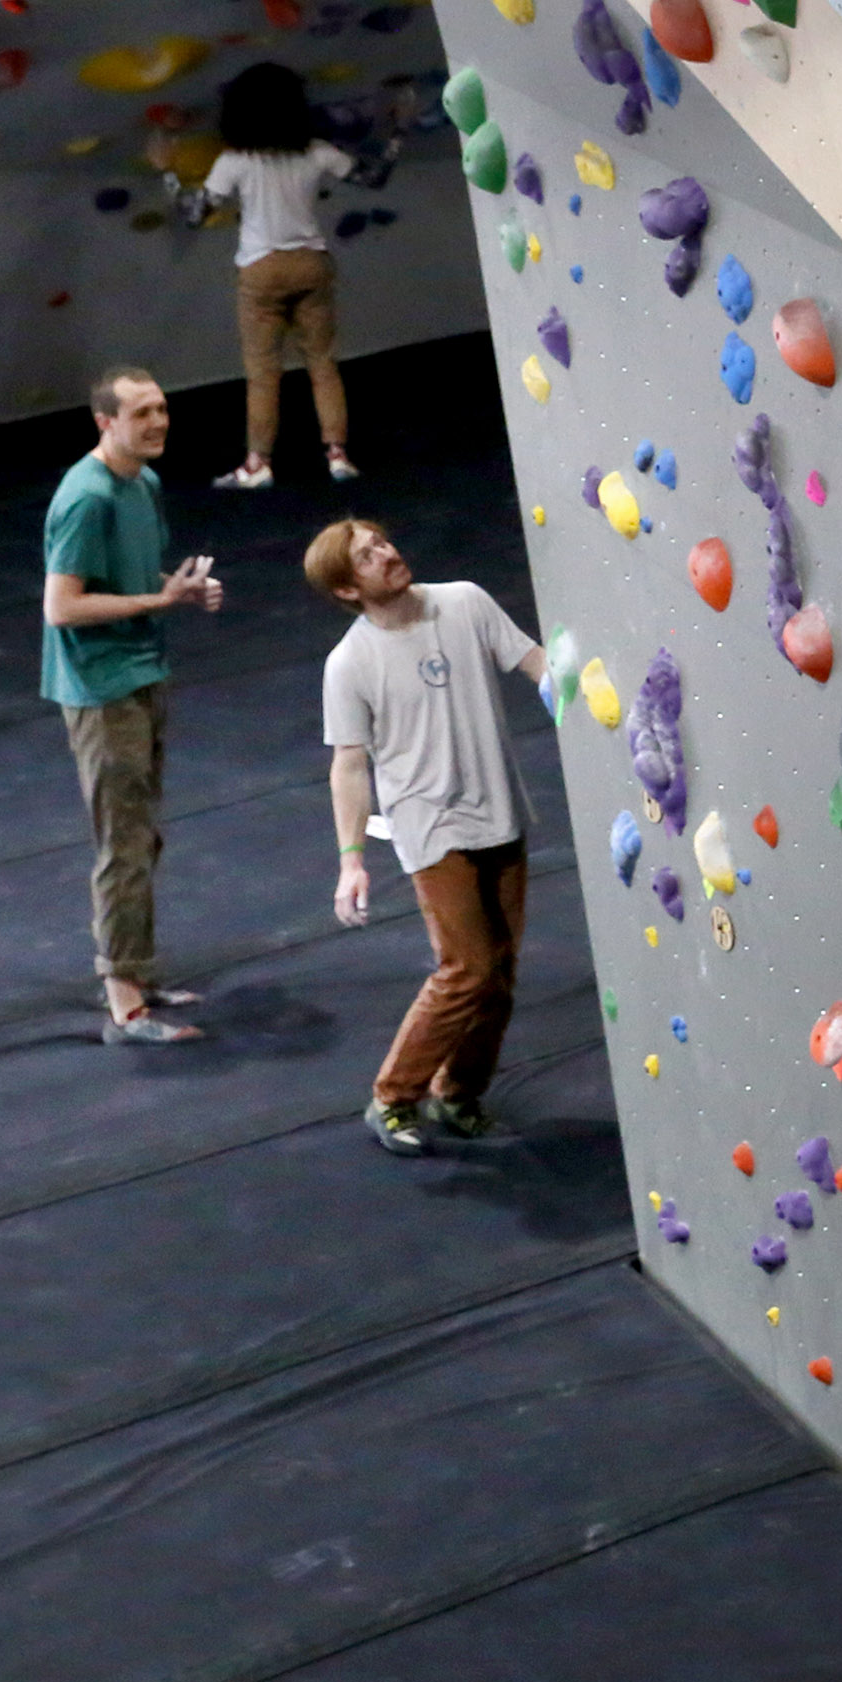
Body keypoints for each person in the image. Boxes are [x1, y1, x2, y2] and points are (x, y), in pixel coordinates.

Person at [307, 518, 548, 1155]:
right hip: (429, 827)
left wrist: (592, 703)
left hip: (499, 809)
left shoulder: (464, 602)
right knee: (466, 967)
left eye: (383, 541)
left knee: (499, 974)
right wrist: (351, 859)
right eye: (367, 556)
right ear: (346, 590)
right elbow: (349, 766)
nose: (388, 553)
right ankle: (393, 1097)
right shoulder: (349, 663)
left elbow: (538, 666)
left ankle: (459, 1093)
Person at [43, 366, 225, 1043]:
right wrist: (159, 601)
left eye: (162, 408)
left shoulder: (143, 484)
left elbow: (124, 578)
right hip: (100, 685)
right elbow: (61, 605)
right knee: (122, 837)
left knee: (143, 829)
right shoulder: (85, 498)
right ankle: (126, 997)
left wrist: (174, 588)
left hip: (141, 668)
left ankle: (137, 968)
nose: (157, 422)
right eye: (141, 412)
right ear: (105, 422)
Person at [153, 63, 397, 490]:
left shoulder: (235, 162)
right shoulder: (318, 152)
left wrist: (167, 171)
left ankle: (257, 464)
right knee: (323, 364)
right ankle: (338, 456)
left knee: (263, 373)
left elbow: (195, 214)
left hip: (261, 272)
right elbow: (374, 177)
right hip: (312, 264)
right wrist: (397, 135)